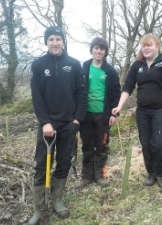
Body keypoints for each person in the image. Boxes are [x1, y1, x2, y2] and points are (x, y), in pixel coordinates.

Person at [27, 26, 87, 225]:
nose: (55, 42)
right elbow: (37, 97)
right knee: (41, 166)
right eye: (51, 39)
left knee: (63, 163)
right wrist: (45, 122)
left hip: (68, 125)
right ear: (46, 42)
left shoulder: (73, 64)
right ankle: (38, 207)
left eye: (58, 39)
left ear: (63, 42)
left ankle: (57, 201)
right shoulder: (37, 65)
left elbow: (81, 93)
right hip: (47, 127)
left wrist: (77, 120)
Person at [112, 33, 162, 188]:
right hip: (142, 112)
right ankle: (151, 173)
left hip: (160, 111)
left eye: (149, 45)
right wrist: (120, 106)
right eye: (143, 45)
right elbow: (128, 87)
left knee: (159, 143)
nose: (146, 48)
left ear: (157, 47)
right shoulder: (137, 65)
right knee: (146, 144)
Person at [76, 37, 121, 189]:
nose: (98, 51)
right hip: (85, 115)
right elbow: (78, 90)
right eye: (96, 48)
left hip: (103, 115)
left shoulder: (111, 71)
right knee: (87, 145)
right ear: (92, 49)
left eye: (102, 49)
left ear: (105, 52)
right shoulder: (84, 68)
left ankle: (100, 175)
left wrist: (114, 114)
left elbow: (116, 94)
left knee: (102, 145)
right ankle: (86, 175)